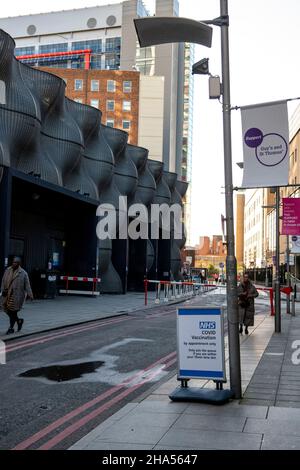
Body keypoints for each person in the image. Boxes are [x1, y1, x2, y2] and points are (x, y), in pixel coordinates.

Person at [1, 257, 33, 335]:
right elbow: (3, 280)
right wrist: (2, 290)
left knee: (12, 311)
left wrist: (30, 295)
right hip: (6, 294)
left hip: (17, 296)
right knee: (7, 310)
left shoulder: (23, 273)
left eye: (16, 262)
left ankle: (11, 328)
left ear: (19, 264)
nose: (14, 264)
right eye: (13, 262)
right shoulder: (8, 270)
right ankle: (19, 321)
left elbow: (27, 285)